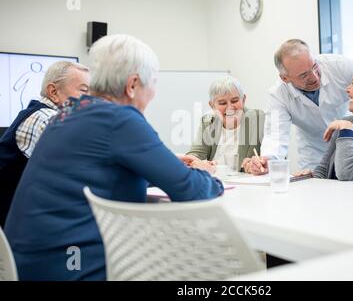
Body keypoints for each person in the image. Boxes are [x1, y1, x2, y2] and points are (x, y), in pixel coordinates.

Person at [4, 34, 224, 281]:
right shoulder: (120, 119)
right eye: (153, 83)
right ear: (132, 85)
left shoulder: (66, 115)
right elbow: (191, 189)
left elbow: (93, 171)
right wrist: (210, 176)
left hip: (28, 265)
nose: (153, 93)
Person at [248, 39, 353, 175]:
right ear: (285, 78)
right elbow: (275, 135)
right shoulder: (278, 95)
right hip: (319, 149)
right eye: (304, 75)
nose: (314, 77)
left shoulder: (341, 66)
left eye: (314, 67)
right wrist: (266, 161)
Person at [0, 61, 90, 227]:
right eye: (84, 91)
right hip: (17, 226)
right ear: (53, 92)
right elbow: (72, 170)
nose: (90, 99)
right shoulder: (44, 117)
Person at [186, 76, 265, 173]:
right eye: (222, 103)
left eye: (235, 101)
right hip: (216, 180)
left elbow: (274, 158)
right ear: (212, 106)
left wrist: (259, 164)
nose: (230, 108)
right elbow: (193, 155)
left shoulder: (259, 119)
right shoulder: (208, 122)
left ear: (243, 100)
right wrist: (198, 163)